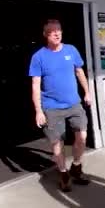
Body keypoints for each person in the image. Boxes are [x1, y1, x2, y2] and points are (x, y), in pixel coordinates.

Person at [29, 19, 91, 192]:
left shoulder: (71, 50)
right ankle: (64, 173)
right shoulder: (39, 56)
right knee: (57, 145)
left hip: (74, 104)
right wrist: (38, 111)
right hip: (51, 107)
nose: (56, 34)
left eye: (59, 30)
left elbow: (80, 72)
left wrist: (87, 92)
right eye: (52, 31)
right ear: (45, 35)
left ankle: (76, 167)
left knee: (82, 137)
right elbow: (35, 85)